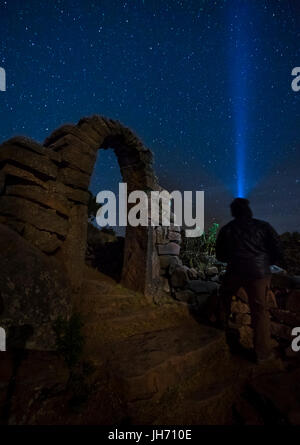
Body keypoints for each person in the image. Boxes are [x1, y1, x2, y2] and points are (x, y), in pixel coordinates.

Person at [215, 198, 282, 363]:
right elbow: (277, 249)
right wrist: (265, 262)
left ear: (233, 212)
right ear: (249, 210)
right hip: (259, 273)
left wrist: (234, 258)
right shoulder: (263, 226)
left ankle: (219, 329)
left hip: (235, 271)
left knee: (224, 297)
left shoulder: (228, 229)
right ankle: (263, 353)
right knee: (260, 312)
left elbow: (220, 255)